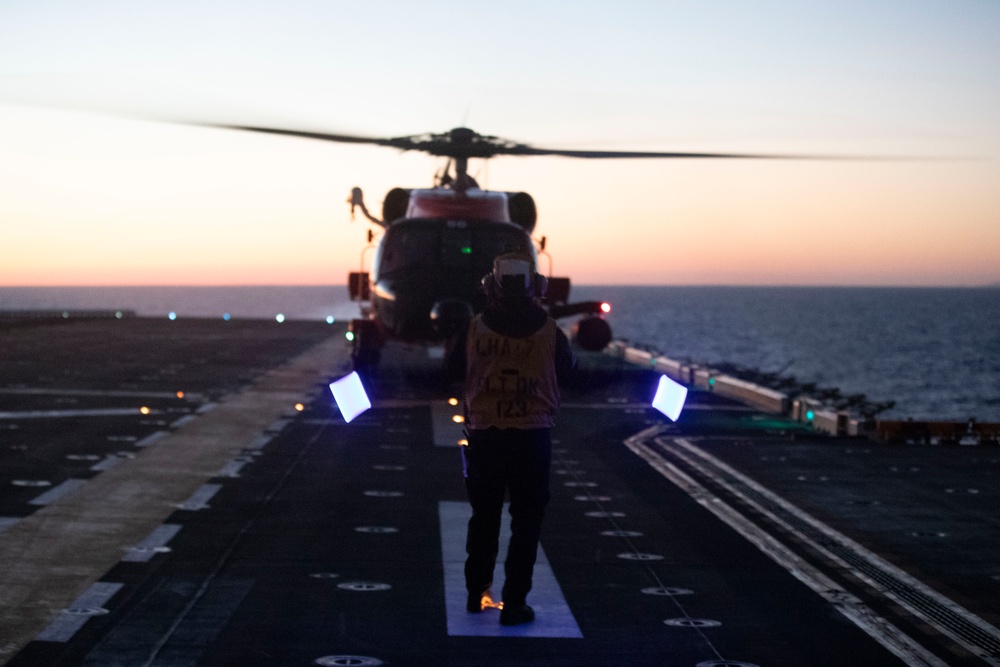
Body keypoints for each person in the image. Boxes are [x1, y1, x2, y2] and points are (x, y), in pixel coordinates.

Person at [449, 251, 576, 626]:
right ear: (536, 287)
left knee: (484, 517)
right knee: (527, 524)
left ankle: (476, 594)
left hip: (485, 437)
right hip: (532, 441)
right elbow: (571, 373)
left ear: (491, 287)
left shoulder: (473, 330)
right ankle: (514, 604)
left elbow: (449, 370)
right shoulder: (552, 332)